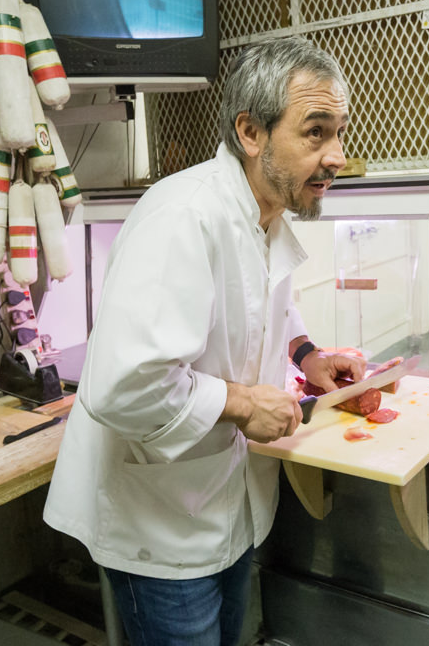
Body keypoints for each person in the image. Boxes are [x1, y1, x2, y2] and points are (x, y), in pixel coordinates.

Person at [43, 37, 366, 646]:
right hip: (159, 523)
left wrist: (307, 356)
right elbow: (123, 385)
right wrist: (244, 403)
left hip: (227, 506)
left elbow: (267, 305)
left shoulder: (264, 212)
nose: (337, 156)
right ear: (251, 132)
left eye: (339, 133)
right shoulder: (183, 216)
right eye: (316, 133)